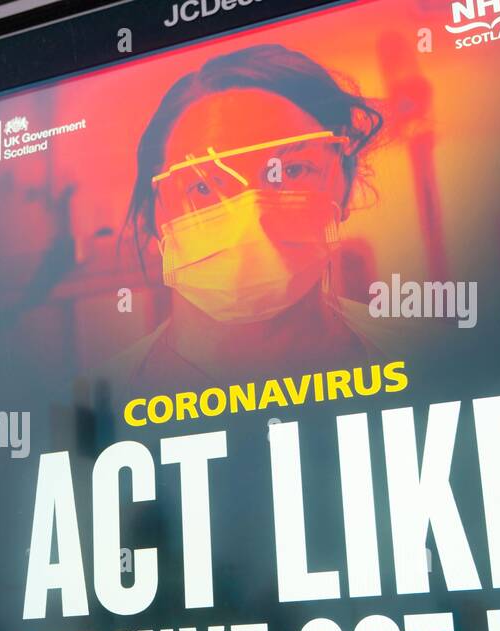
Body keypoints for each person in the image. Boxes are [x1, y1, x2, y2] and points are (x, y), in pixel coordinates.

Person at [114, 43, 418, 388]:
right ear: (152, 221)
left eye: (292, 171)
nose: (252, 220)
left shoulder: (437, 362)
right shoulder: (94, 406)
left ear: (345, 187)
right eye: (203, 188)